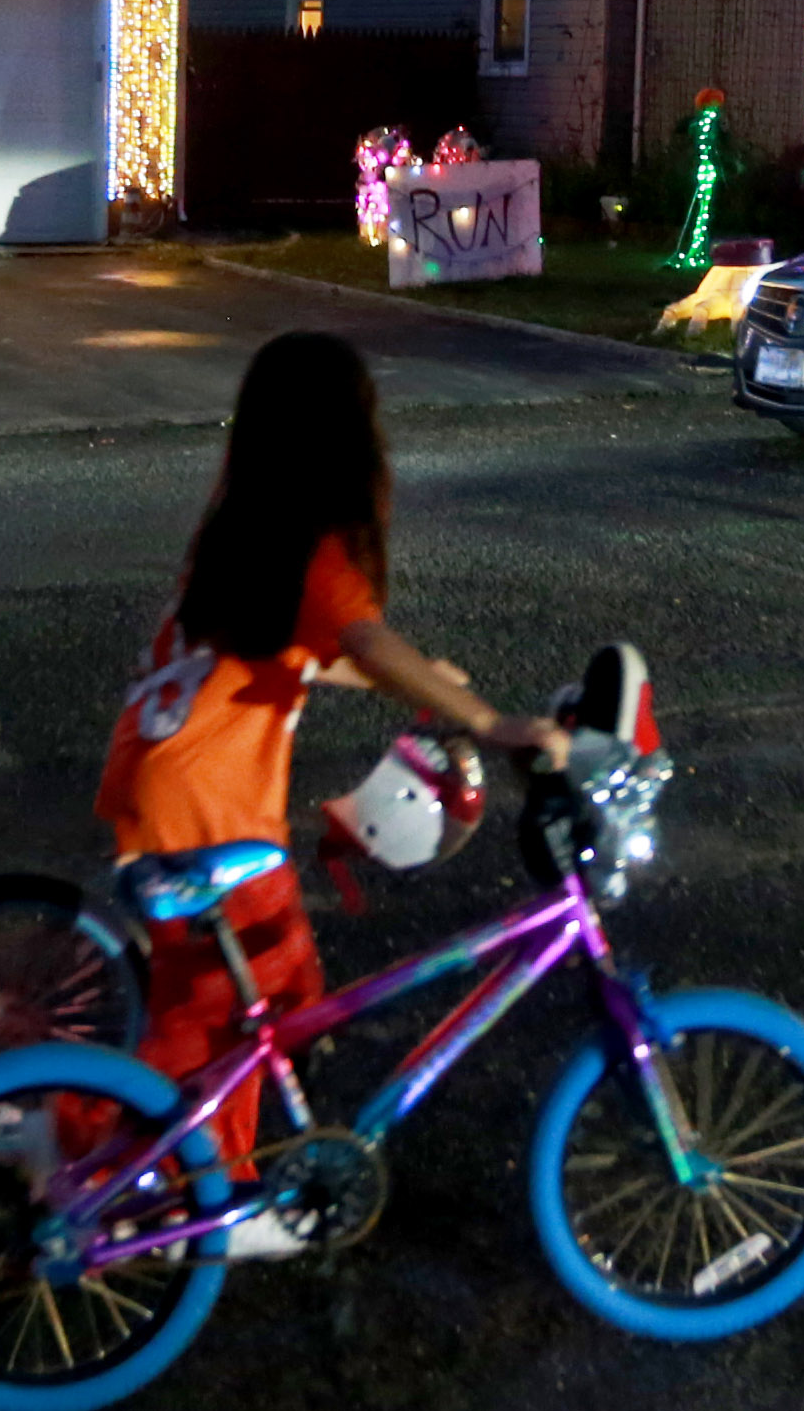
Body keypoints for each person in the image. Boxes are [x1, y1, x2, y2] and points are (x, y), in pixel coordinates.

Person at [93, 330, 564, 1254]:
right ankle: (185, 1196)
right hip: (213, 811)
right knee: (225, 1011)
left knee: (261, 997)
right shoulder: (316, 552)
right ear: (346, 436)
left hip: (159, 787)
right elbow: (359, 639)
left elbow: (291, 655)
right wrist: (488, 720)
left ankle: (132, 1157)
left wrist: (425, 680)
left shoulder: (245, 529)